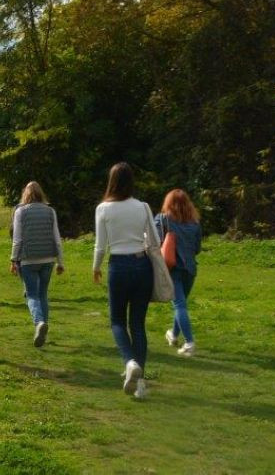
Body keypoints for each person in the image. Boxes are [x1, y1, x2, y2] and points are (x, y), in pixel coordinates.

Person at [93, 162, 159, 399]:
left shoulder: (103, 209)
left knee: (117, 321)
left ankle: (129, 362)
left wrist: (96, 267)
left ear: (111, 181)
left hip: (118, 265)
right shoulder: (143, 207)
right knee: (138, 324)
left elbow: (101, 245)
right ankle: (140, 385)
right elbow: (155, 239)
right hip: (142, 265)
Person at [10, 181, 64, 347]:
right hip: (48, 259)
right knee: (43, 295)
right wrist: (60, 261)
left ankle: (39, 322)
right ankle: (43, 330)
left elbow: (17, 239)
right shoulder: (50, 211)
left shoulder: (20, 212)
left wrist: (13, 259)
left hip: (28, 259)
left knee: (32, 294)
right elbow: (57, 238)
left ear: (25, 194)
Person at [156, 189, 203, 357]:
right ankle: (174, 334)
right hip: (190, 269)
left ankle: (189, 343)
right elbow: (197, 249)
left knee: (179, 305)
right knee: (181, 304)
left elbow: (155, 241)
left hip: (171, 268)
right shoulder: (195, 223)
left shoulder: (163, 219)